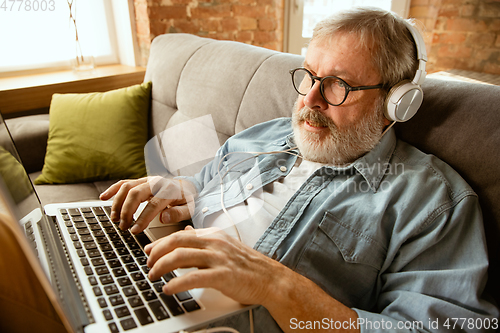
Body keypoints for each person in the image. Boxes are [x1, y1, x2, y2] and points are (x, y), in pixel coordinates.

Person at [100, 8, 499, 332]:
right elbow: (205, 182)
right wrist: (179, 190)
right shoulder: (268, 135)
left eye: (338, 85)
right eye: (310, 75)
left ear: (397, 104)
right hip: (158, 285)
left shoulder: (432, 201)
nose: (310, 99)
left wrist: (277, 285)